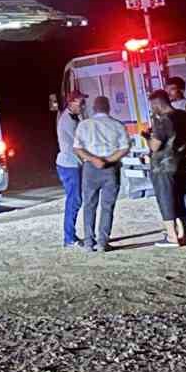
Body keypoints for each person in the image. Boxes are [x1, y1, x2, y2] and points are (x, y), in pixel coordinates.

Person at [72, 95, 129, 252]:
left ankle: (89, 242)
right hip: (110, 169)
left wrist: (93, 159)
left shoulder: (84, 125)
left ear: (94, 108)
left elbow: (77, 148)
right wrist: (108, 160)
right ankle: (103, 241)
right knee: (107, 206)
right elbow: (124, 148)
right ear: (108, 108)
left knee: (89, 205)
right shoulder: (117, 125)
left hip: (90, 169)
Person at [144, 90, 186, 246]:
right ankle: (182, 233)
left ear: (158, 104)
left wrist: (147, 137)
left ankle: (171, 236)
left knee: (166, 198)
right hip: (181, 162)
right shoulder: (183, 115)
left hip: (163, 166)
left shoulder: (164, 120)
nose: (152, 109)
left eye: (152, 106)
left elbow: (155, 145)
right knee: (178, 197)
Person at [165, 76, 186, 240]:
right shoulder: (172, 105)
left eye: (171, 89)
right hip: (174, 152)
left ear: (180, 89)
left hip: (182, 152)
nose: (168, 92)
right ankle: (183, 225)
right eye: (167, 89)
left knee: (184, 189)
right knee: (179, 190)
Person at [55, 90, 87, 248]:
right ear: (72, 102)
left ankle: (70, 236)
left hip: (71, 164)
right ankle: (69, 238)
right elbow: (79, 144)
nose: (83, 106)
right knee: (74, 200)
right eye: (81, 103)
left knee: (75, 199)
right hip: (70, 164)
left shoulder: (73, 117)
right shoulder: (68, 121)